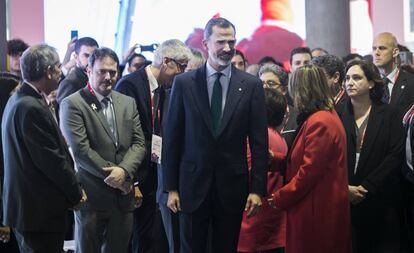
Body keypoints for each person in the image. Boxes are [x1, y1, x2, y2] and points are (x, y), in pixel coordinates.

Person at [163, 17, 268, 252]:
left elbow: (259, 143)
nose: (228, 48)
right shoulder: (184, 83)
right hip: (191, 186)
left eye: (231, 42)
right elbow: (172, 138)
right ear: (205, 43)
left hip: (232, 188)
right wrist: (171, 187)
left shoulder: (251, 85)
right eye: (221, 42)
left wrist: (257, 189)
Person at [59, 47, 146, 253]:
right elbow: (81, 151)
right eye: (102, 71)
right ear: (89, 70)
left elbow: (139, 143)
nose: (108, 77)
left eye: (113, 72)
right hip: (92, 197)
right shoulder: (72, 104)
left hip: (123, 199)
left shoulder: (127, 102)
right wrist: (117, 177)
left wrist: (124, 173)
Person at [2, 44, 85, 253]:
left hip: (30, 211)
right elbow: (52, 161)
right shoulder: (30, 106)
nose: (61, 72)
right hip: (38, 212)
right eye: (58, 67)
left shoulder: (19, 99)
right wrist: (75, 193)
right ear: (48, 71)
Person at [116, 39, 191, 253]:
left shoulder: (167, 89)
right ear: (166, 61)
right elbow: (124, 138)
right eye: (181, 66)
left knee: (154, 239)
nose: (184, 72)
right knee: (139, 238)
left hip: (157, 174)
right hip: (136, 175)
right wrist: (134, 179)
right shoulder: (129, 85)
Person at [268, 65, 351, 253]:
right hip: (318, 209)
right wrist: (275, 160)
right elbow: (304, 162)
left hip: (316, 212)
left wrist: (280, 197)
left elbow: (308, 173)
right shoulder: (323, 116)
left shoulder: (320, 121)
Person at [338, 60, 406, 253]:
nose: (350, 82)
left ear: (370, 83)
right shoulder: (337, 113)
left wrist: (367, 187)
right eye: (347, 78)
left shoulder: (389, 113)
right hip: (345, 197)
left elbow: (395, 155)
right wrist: (345, 188)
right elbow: (331, 157)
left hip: (380, 198)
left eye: (357, 78)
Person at [238, 88, 287, 253]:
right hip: (271, 225)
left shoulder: (259, 136)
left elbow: (246, 174)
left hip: (251, 224)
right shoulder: (278, 138)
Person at [372, 32, 414, 113]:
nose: (376, 53)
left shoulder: (411, 83)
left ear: (395, 52)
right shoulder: (369, 83)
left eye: (382, 48)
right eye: (374, 48)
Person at [57, 37, 99, 104]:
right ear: (76, 57)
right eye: (86, 55)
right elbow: (64, 112)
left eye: (94, 55)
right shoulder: (70, 83)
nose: (91, 59)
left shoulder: (97, 78)